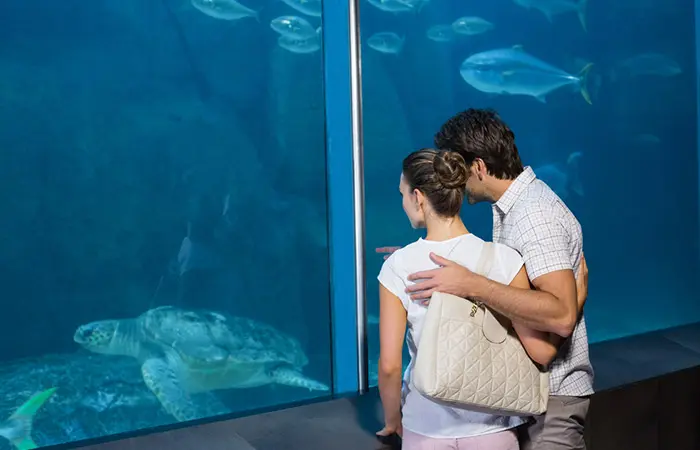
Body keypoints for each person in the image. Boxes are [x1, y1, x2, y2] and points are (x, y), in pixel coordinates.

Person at [379, 108, 593, 450]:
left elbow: (561, 316)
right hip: (511, 399)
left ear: (478, 167)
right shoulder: (512, 210)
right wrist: (409, 261)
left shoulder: (533, 215)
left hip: (549, 397)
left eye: (459, 168)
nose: (456, 181)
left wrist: (472, 284)